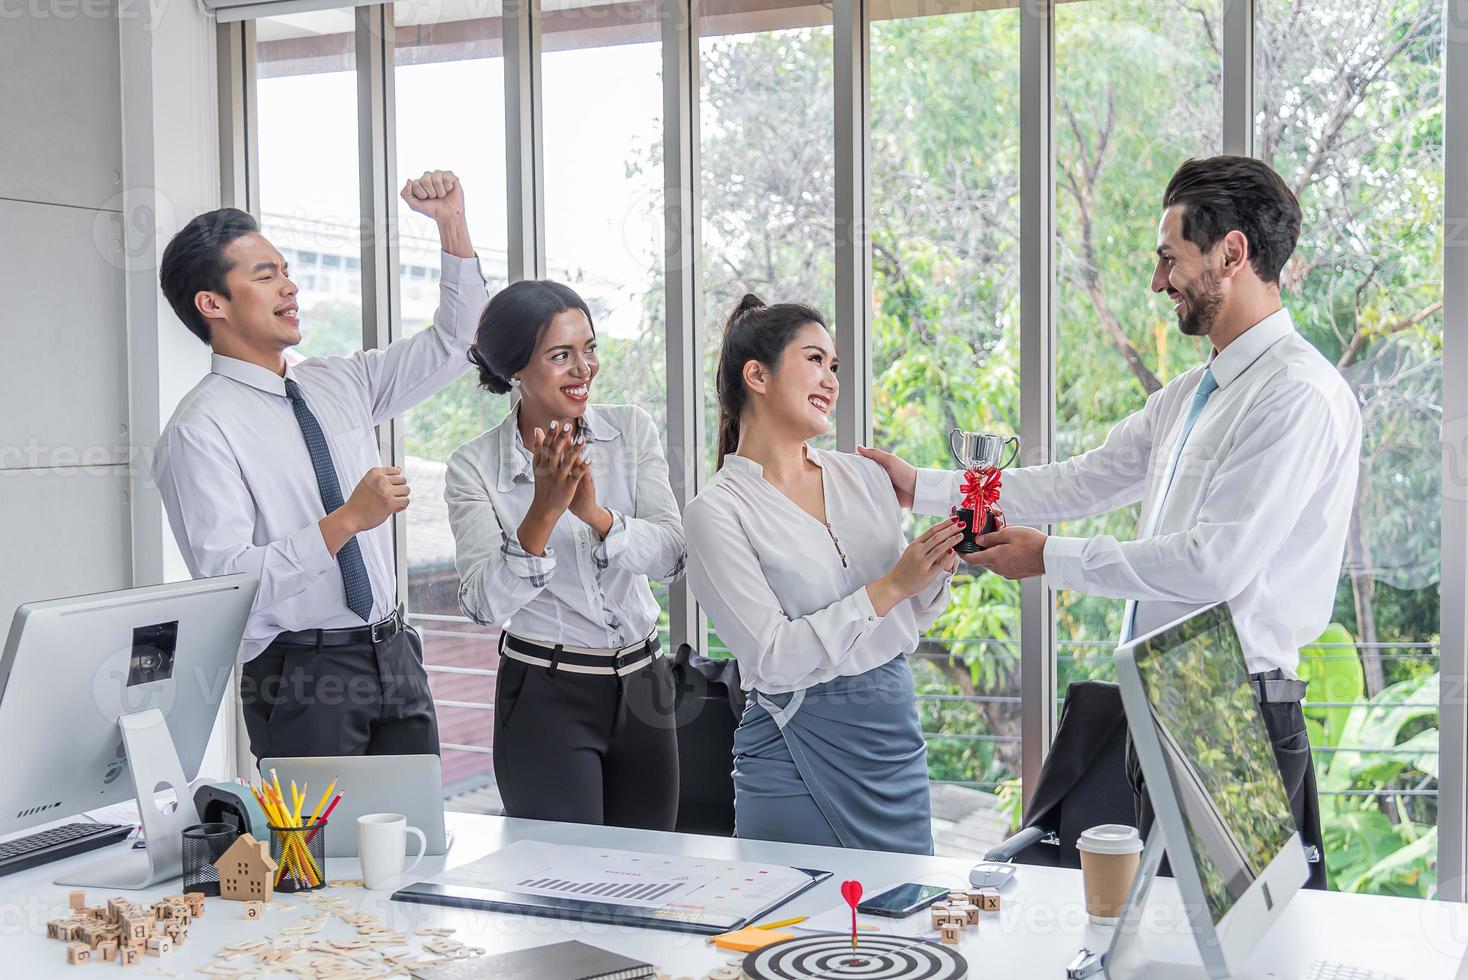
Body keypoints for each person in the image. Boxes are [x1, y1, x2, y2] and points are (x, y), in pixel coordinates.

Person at [859, 156, 1360, 887]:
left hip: (1231, 712)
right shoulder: (1194, 391)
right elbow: (1084, 479)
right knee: (1159, 930)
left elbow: (1211, 563)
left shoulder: (1297, 396)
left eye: (1170, 258)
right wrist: (924, 488)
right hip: (1165, 698)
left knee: (1247, 949)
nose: (1158, 282)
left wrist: (1050, 560)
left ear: (1233, 253)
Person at [154, 170, 489, 762]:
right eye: (266, 276)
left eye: (285, 271)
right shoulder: (199, 430)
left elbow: (457, 340)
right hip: (302, 674)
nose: (290, 287)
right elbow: (229, 584)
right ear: (213, 304)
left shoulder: (339, 382)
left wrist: (450, 223)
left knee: (415, 845)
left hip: (393, 652)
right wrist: (347, 521)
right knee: (320, 855)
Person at [683, 294, 964, 855]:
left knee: (903, 924)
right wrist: (891, 586)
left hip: (892, 733)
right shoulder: (716, 511)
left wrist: (937, 566)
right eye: (814, 360)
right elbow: (771, 658)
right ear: (757, 375)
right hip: (794, 745)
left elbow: (913, 612)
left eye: (834, 366)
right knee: (797, 929)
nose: (831, 380)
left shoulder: (865, 476)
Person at [444, 280, 686, 830]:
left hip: (646, 685)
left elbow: (671, 558)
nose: (585, 369)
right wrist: (543, 512)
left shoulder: (630, 430)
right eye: (561, 356)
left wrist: (597, 517)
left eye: (589, 349)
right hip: (545, 695)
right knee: (563, 886)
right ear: (515, 371)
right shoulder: (473, 467)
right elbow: (482, 605)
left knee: (651, 875)